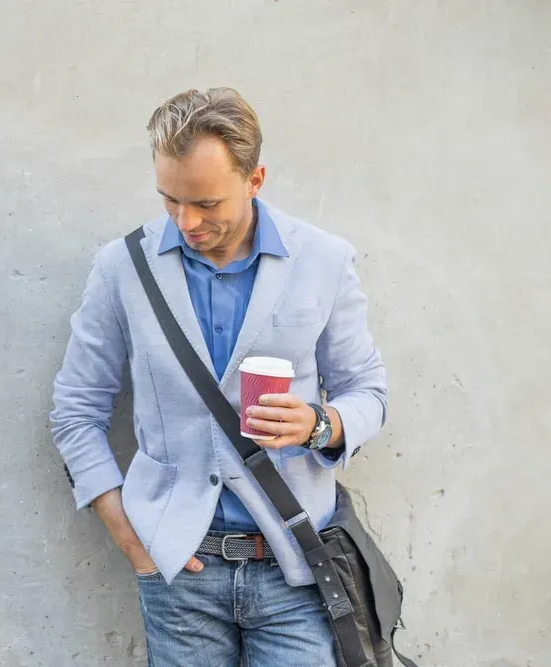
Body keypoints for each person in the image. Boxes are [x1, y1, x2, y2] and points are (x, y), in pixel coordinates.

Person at [50, 87, 388, 666]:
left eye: (207, 203)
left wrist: (318, 423)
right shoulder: (122, 268)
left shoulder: (324, 261)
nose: (187, 221)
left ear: (255, 180)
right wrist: (128, 537)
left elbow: (369, 395)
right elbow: (76, 411)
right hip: (179, 570)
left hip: (297, 570)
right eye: (169, 200)